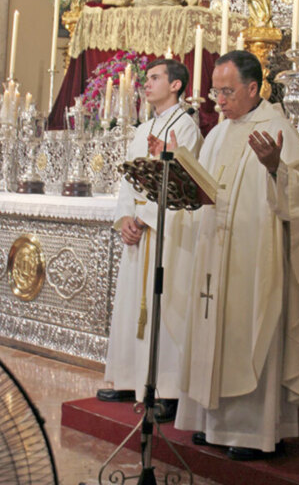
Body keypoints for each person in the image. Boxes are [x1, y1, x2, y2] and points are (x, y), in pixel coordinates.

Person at [164, 50, 299, 459]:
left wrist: (276, 168)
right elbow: (202, 186)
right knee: (209, 332)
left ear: (254, 89)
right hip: (213, 253)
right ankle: (208, 422)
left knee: (248, 332)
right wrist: (174, 165)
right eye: (216, 91)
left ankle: (250, 433)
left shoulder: (275, 126)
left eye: (228, 91)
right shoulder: (218, 133)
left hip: (254, 258)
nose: (219, 100)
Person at [97, 58, 202, 422]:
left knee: (163, 306)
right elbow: (129, 178)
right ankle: (129, 378)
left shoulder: (186, 127)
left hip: (165, 231)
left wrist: (145, 217)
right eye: (148, 78)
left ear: (176, 85)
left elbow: (186, 179)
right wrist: (125, 217)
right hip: (138, 230)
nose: (147, 83)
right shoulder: (143, 129)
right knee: (131, 304)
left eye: (156, 77)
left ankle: (167, 389)